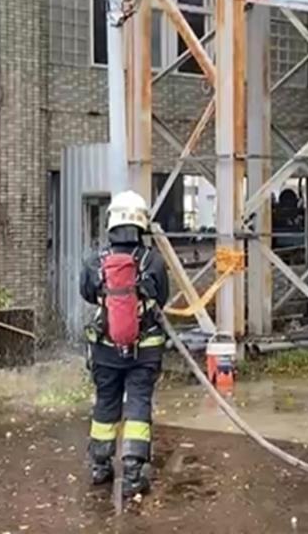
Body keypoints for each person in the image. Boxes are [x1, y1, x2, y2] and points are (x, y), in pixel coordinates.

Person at [79, 190, 170, 497]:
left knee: (106, 402)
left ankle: (100, 467)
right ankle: (132, 474)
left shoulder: (95, 260)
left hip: (105, 349)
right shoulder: (152, 260)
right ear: (142, 222)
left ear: (111, 222)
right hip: (145, 349)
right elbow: (163, 298)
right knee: (138, 404)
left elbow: (87, 294)